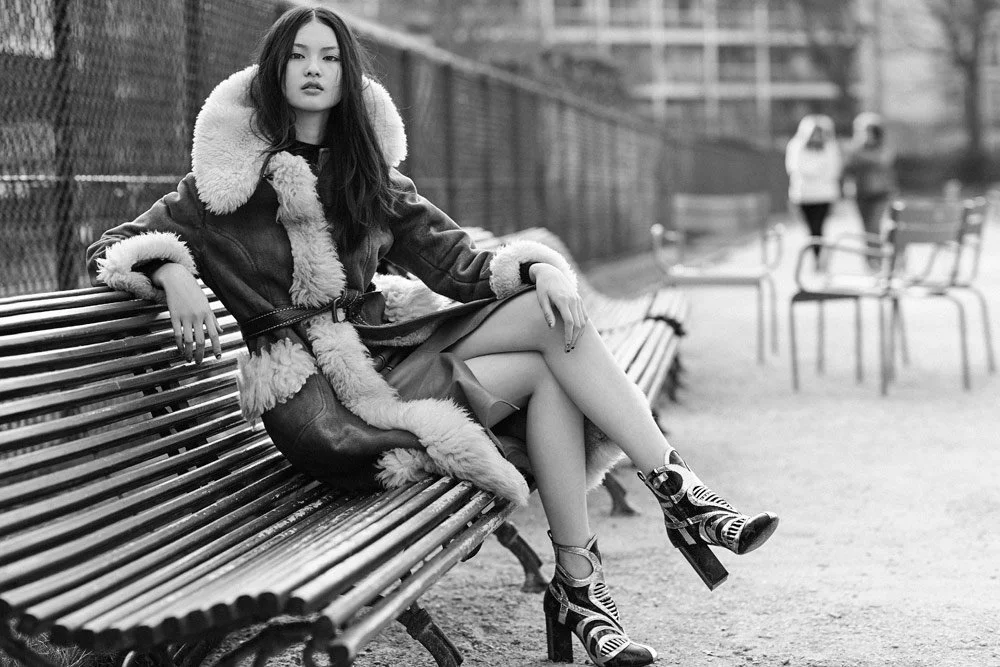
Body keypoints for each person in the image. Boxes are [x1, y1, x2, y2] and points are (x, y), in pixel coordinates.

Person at [86, 7, 778, 665]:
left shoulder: (368, 175)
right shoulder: (219, 185)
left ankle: (590, 569)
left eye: (329, 56)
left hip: (387, 353)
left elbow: (461, 265)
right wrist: (171, 270)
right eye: (297, 55)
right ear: (273, 72)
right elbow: (110, 247)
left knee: (551, 344)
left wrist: (542, 270)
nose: (313, 68)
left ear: (347, 77)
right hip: (318, 404)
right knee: (552, 348)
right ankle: (660, 516)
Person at [785, 114, 842, 266]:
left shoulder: (830, 147)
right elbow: (795, 168)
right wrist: (817, 170)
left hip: (824, 196)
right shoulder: (796, 146)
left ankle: (818, 258)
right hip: (804, 195)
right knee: (811, 229)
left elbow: (833, 170)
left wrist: (813, 171)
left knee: (819, 227)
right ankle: (816, 256)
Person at [844, 112, 897, 268]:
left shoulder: (883, 148)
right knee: (866, 229)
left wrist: (860, 155)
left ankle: (878, 260)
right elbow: (847, 169)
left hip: (881, 193)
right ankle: (870, 261)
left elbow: (883, 160)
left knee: (874, 227)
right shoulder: (855, 149)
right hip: (861, 194)